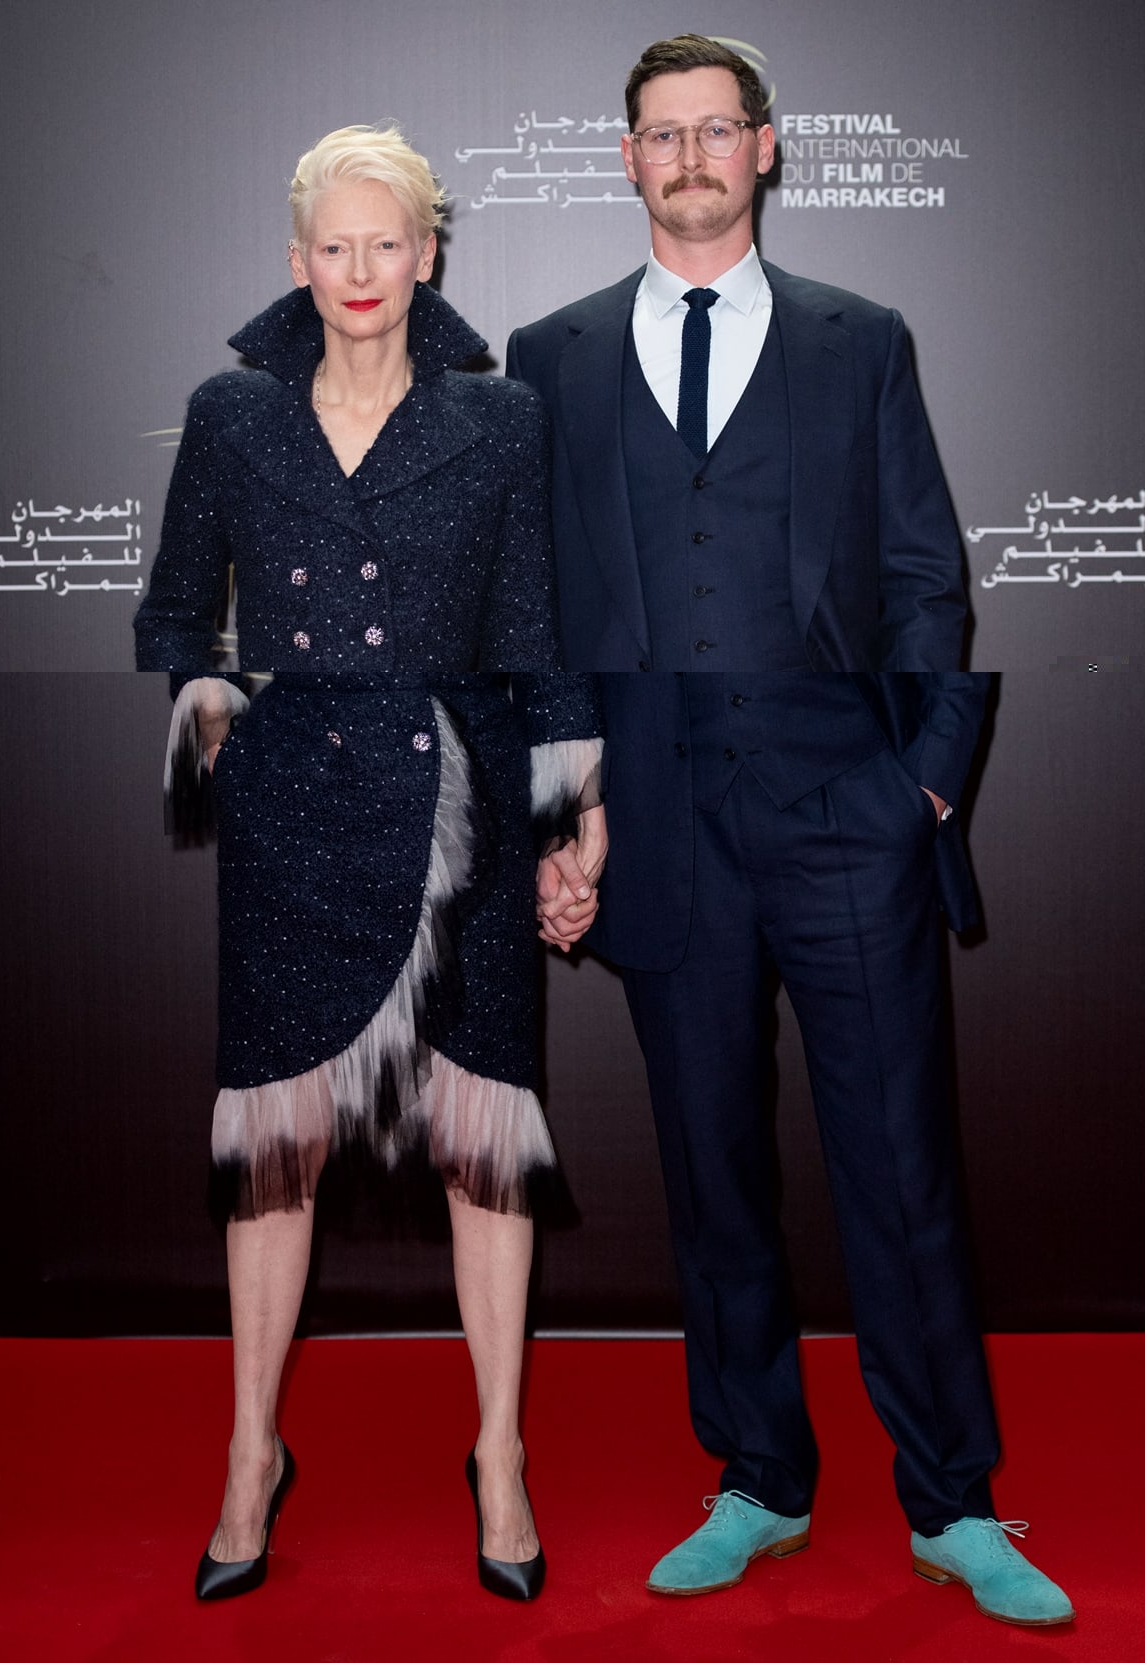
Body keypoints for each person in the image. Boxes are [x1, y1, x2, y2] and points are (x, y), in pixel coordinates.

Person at [522, 36, 1072, 1630]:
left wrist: (924, 789)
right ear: (625, 159)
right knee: (713, 1173)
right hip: (663, 826)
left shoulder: (862, 343)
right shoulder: (547, 359)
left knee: (900, 1166)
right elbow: (543, 614)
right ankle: (759, 1475)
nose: (689, 154)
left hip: (847, 811)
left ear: (765, 150)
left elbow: (925, 573)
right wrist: (574, 814)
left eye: (716, 129)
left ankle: (954, 1503)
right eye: (660, 133)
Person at [135, 125, 606, 1603]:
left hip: (455, 808)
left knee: (486, 1145)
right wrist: (214, 715)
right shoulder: (229, 414)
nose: (358, 271)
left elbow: (535, 636)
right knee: (273, 1155)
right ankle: (250, 1453)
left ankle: (501, 1452)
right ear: (296, 260)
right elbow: (170, 616)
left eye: (383, 242)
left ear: (426, 255)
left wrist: (569, 810)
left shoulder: (505, 420)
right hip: (291, 818)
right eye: (331, 246)